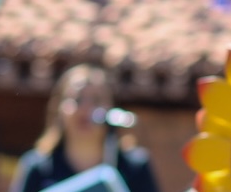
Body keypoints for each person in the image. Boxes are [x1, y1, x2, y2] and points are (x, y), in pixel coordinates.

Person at [9, 65, 159, 192]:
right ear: (59, 109)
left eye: (96, 100)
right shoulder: (38, 168)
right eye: (78, 99)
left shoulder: (135, 167)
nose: (86, 108)